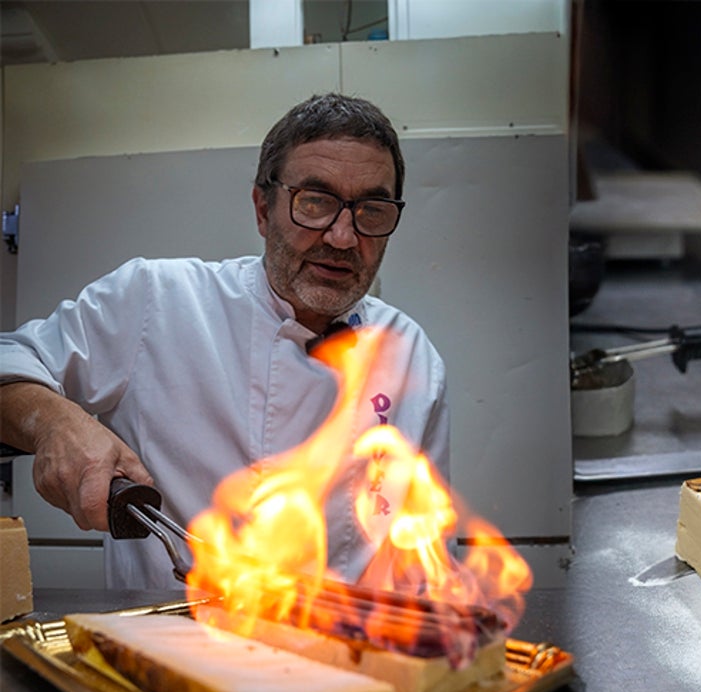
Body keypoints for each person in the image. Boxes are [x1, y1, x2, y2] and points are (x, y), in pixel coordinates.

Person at [0, 93, 449, 588]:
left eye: (372, 209)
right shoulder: (157, 301)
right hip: (165, 650)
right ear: (263, 209)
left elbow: (422, 557)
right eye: (315, 203)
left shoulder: (411, 354)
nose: (343, 237)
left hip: (349, 657)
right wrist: (55, 424)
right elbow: (11, 359)